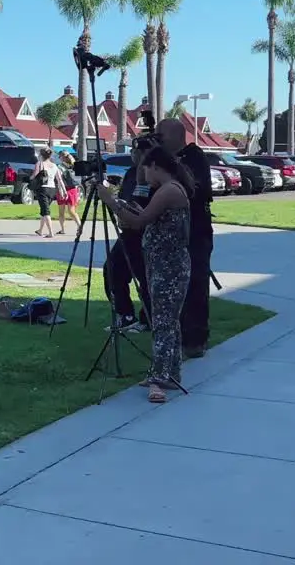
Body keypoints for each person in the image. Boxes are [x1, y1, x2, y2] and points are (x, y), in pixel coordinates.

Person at [96, 146, 192, 404]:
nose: (143, 175)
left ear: (155, 167)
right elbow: (147, 218)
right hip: (163, 264)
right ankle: (171, 372)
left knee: (162, 322)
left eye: (145, 169)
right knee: (169, 321)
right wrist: (127, 208)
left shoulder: (169, 190)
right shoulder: (168, 190)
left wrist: (110, 201)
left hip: (169, 267)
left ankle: (159, 378)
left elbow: (140, 221)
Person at [156, 119, 214, 358]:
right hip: (172, 230)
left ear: (177, 136)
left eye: (162, 136)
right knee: (173, 283)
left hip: (197, 229)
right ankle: (174, 333)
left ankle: (196, 338)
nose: (158, 140)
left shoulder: (194, 156)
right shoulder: (161, 159)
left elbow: (197, 189)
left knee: (196, 281)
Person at [103, 146, 151, 331]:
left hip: (146, 234)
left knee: (145, 276)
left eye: (140, 149)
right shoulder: (132, 173)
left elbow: (142, 205)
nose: (134, 153)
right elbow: (128, 199)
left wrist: (113, 203)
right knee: (112, 268)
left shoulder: (155, 174)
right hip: (128, 231)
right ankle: (125, 314)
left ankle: (148, 318)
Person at [29, 148, 65, 238]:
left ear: (41, 155)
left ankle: (50, 233)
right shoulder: (54, 165)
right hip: (52, 189)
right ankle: (40, 230)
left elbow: (34, 175)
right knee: (44, 210)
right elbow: (59, 179)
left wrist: (30, 178)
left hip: (43, 189)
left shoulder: (40, 164)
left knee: (46, 212)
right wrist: (63, 190)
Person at [55, 152, 82, 235]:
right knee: (72, 211)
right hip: (73, 189)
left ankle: (63, 229)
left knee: (61, 211)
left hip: (62, 189)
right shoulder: (75, 166)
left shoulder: (60, 167)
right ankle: (79, 226)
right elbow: (77, 180)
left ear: (61, 157)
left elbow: (59, 179)